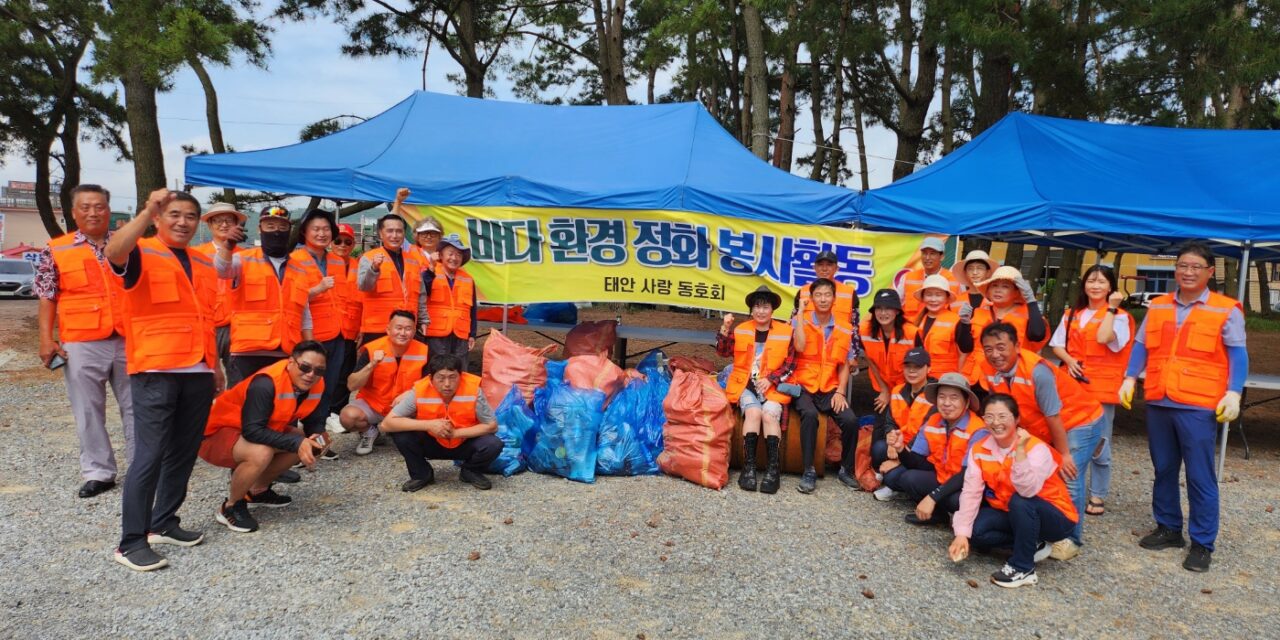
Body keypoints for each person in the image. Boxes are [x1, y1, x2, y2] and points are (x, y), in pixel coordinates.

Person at [105, 189, 222, 572]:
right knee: (149, 456)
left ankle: (164, 522)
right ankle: (131, 541)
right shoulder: (141, 251)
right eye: (173, 214)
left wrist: (215, 366)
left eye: (190, 216)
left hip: (198, 370)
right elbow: (113, 251)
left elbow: (205, 318)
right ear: (158, 218)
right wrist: (145, 210)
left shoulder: (202, 261)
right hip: (156, 370)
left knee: (183, 451)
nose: (182, 222)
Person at [1119, 241, 1247, 573]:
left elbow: (1237, 354)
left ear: (1210, 272)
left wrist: (1233, 393)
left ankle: (1202, 543)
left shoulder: (1226, 308)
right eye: (1182, 266)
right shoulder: (1159, 305)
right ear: (1175, 269)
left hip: (1199, 405)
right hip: (1160, 398)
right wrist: (1130, 378)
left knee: (1200, 475)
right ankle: (1169, 528)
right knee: (1163, 468)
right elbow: (1141, 344)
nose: (1188, 272)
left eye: (1195, 267)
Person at [35, 184, 134, 498]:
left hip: (129, 338)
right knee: (87, 410)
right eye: (86, 207)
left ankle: (141, 468)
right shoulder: (57, 248)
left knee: (137, 409)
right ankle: (99, 472)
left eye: (100, 206)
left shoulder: (127, 245)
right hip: (81, 341)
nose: (93, 212)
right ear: (74, 212)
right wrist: (45, 339)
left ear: (109, 209)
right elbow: (47, 296)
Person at [974, 322, 1104, 561]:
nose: (995, 354)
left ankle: (1071, 539)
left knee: (1068, 474)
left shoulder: (1037, 370)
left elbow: (1053, 415)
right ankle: (1041, 526)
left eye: (1001, 347)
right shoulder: (987, 367)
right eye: (988, 348)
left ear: (1017, 345)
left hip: (1079, 420)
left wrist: (1063, 455)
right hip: (1042, 424)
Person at [948, 393, 1078, 588]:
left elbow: (1027, 491)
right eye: (989, 417)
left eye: (1002, 416)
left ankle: (1023, 567)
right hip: (1014, 513)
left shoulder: (1036, 448)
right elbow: (971, 493)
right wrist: (961, 534)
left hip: (1055, 517)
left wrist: (1020, 452)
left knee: (1021, 501)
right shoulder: (979, 449)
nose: (996, 422)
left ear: (1017, 419)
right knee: (974, 531)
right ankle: (1034, 544)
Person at [199, 342, 330, 533]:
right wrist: (297, 442)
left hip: (247, 431)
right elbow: (253, 431)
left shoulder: (317, 383)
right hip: (214, 434)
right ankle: (231, 506)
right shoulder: (266, 383)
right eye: (305, 367)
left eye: (319, 370)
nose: (311, 374)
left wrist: (318, 436)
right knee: (261, 452)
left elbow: (314, 419)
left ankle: (256, 491)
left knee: (306, 441)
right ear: (291, 362)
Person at [1050, 265, 1132, 516]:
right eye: (1091, 281)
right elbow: (1056, 344)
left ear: (1111, 287)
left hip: (1102, 387)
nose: (1095, 286)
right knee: (1066, 438)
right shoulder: (1072, 313)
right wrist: (1070, 360)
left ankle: (1098, 494)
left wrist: (1111, 308)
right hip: (1072, 385)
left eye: (1101, 282)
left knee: (1100, 441)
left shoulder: (1120, 317)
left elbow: (1104, 337)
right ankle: (1068, 488)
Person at [381, 354, 502, 492]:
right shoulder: (420, 390)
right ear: (431, 378)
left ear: (460, 376)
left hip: (463, 442)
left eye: (452, 377)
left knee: (493, 444)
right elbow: (387, 424)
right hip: (432, 441)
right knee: (401, 435)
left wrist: (457, 433)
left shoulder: (474, 390)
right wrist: (429, 425)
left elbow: (492, 426)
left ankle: (470, 471)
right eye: (441, 378)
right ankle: (422, 474)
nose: (447, 384)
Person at [717, 285, 796, 494]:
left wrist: (771, 379)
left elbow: (790, 364)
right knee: (753, 413)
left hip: (774, 387)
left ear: (773, 310)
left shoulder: (786, 331)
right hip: (745, 385)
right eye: (757, 306)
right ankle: (749, 469)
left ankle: (772, 471)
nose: (761, 311)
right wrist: (725, 328)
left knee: (769, 416)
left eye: (766, 307)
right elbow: (723, 352)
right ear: (751, 310)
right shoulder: (741, 329)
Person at [879, 372, 987, 525]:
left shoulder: (978, 429)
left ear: (967, 402)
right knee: (906, 478)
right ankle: (938, 516)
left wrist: (933, 497)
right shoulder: (933, 420)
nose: (946, 403)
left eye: (954, 397)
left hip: (966, 483)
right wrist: (901, 449)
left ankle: (963, 520)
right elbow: (916, 461)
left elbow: (968, 475)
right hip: (942, 475)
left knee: (955, 500)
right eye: (942, 397)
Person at [283, 208, 347, 444]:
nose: (322, 233)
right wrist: (316, 290)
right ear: (304, 233)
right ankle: (290, 441)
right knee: (300, 387)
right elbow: (288, 298)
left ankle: (317, 436)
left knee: (326, 387)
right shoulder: (294, 261)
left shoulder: (337, 260)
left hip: (337, 333)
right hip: (308, 336)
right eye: (316, 229)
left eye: (326, 229)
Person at [791, 278, 859, 494]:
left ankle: (846, 470)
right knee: (809, 416)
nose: (822, 299)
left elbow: (844, 365)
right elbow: (799, 346)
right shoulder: (798, 322)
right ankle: (808, 470)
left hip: (829, 387)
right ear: (811, 299)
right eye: (818, 295)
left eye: (827, 294)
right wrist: (800, 316)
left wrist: (840, 391)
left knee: (850, 420)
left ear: (834, 299)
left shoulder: (844, 327)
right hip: (803, 385)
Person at [215, 205, 295, 386]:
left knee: (279, 408)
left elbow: (303, 312)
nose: (277, 232)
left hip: (286, 352)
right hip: (247, 353)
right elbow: (221, 270)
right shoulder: (242, 259)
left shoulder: (298, 267)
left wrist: (307, 347)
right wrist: (228, 246)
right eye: (270, 226)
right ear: (260, 229)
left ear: (290, 231)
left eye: (283, 228)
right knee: (241, 408)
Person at [339, 311, 429, 455]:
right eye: (398, 328)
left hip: (406, 406)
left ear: (414, 331)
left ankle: (398, 427)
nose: (403, 333)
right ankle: (369, 431)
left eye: (408, 328)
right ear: (388, 329)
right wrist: (372, 364)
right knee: (348, 417)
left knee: (428, 426)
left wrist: (410, 393)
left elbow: (430, 382)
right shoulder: (372, 348)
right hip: (375, 404)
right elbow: (352, 385)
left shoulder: (424, 351)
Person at [962, 265, 1048, 383]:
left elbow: (1038, 335)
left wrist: (1032, 302)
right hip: (977, 377)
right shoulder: (978, 312)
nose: (998, 290)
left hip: (1013, 377)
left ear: (1017, 292)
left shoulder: (1029, 313)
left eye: (1005, 286)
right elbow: (965, 347)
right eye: (994, 285)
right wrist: (964, 324)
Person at [870, 347, 935, 501]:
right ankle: (891, 475)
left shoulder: (934, 394)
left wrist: (898, 459)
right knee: (879, 448)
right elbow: (890, 422)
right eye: (908, 367)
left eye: (917, 367)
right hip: (901, 443)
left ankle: (894, 484)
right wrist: (891, 441)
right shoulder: (898, 390)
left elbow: (925, 435)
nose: (912, 371)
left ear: (929, 369)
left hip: (921, 451)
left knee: (892, 477)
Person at [192, 202, 246, 377]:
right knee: (205, 378)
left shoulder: (246, 255)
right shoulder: (195, 254)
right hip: (206, 326)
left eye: (229, 220)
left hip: (237, 326)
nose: (224, 225)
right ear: (209, 225)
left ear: (237, 224)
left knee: (238, 379)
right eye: (218, 221)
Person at [357, 214, 424, 343]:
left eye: (399, 231)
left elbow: (421, 294)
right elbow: (363, 286)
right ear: (381, 234)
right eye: (390, 231)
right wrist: (374, 268)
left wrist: (423, 320)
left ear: (404, 234)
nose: (395, 235)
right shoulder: (369, 257)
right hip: (377, 329)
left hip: (406, 328)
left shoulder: (413, 261)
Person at [419, 233, 477, 361]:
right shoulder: (430, 273)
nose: (454, 258)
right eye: (450, 253)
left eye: (458, 255)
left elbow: (472, 310)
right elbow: (422, 293)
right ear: (441, 255)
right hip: (435, 334)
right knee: (436, 371)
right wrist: (431, 269)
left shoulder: (468, 279)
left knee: (459, 371)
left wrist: (472, 334)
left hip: (461, 335)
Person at [861, 289, 918, 413]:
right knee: (880, 430)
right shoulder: (864, 330)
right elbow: (870, 362)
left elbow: (919, 367)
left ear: (897, 311)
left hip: (907, 388)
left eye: (888, 308)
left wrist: (904, 394)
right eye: (879, 308)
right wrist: (885, 390)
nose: (883, 313)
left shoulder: (912, 333)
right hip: (881, 387)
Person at [331, 223, 362, 424]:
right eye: (338, 240)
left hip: (351, 329)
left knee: (345, 374)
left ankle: (337, 413)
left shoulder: (359, 266)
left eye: (347, 241)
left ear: (353, 244)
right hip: (326, 330)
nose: (343, 244)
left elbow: (366, 299)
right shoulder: (322, 263)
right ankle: (319, 414)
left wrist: (362, 328)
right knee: (324, 374)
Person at [913, 274, 970, 375]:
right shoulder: (916, 321)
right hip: (920, 377)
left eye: (938, 295)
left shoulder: (955, 320)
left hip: (944, 380)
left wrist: (958, 377)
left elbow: (965, 351)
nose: (933, 299)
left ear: (947, 298)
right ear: (923, 297)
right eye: (929, 294)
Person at [897, 237, 961, 319]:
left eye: (932, 253)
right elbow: (895, 304)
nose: (927, 257)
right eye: (924, 253)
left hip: (940, 329)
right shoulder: (908, 277)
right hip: (910, 328)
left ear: (942, 256)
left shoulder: (954, 279)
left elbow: (958, 310)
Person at [794, 249, 859, 328]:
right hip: (808, 339)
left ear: (837, 268)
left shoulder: (850, 292)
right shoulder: (803, 292)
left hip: (839, 339)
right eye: (820, 264)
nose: (824, 269)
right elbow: (794, 322)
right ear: (814, 267)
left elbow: (855, 326)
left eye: (829, 265)